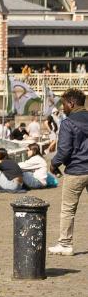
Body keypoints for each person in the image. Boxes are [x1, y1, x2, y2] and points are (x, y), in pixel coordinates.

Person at [49, 88, 88, 255]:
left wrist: (54, 164)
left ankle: (65, 244)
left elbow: (64, 151)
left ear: (71, 104)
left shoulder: (68, 123)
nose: (62, 108)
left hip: (76, 171)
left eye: (64, 104)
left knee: (68, 209)